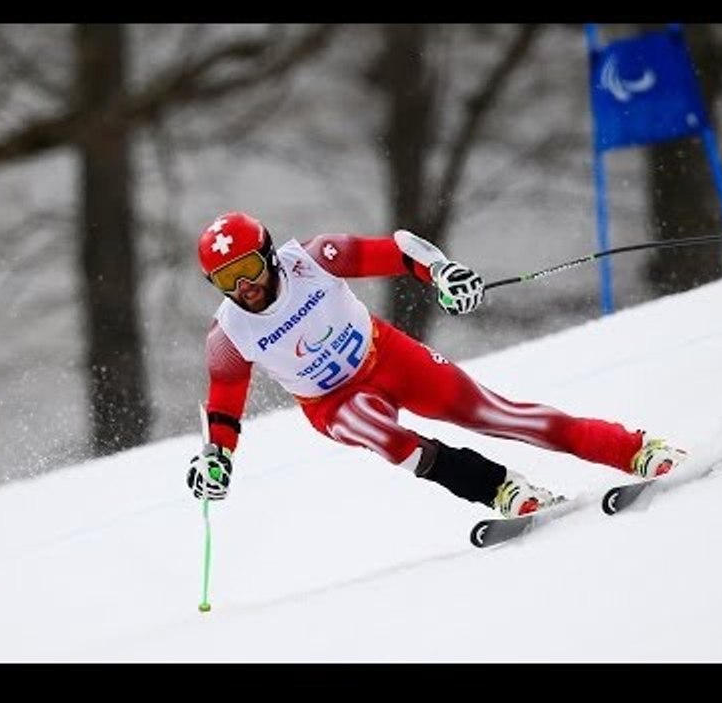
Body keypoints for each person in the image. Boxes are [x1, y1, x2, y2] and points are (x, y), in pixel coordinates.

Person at [186, 211, 687, 517]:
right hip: (334, 403)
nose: (244, 287)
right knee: (384, 436)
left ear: (269, 255)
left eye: (249, 269)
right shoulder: (228, 334)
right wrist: (217, 459)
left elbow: (400, 251)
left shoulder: (314, 258)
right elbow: (224, 408)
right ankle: (500, 489)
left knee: (498, 415)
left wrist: (443, 272)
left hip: (388, 356)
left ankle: (634, 450)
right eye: (228, 280)